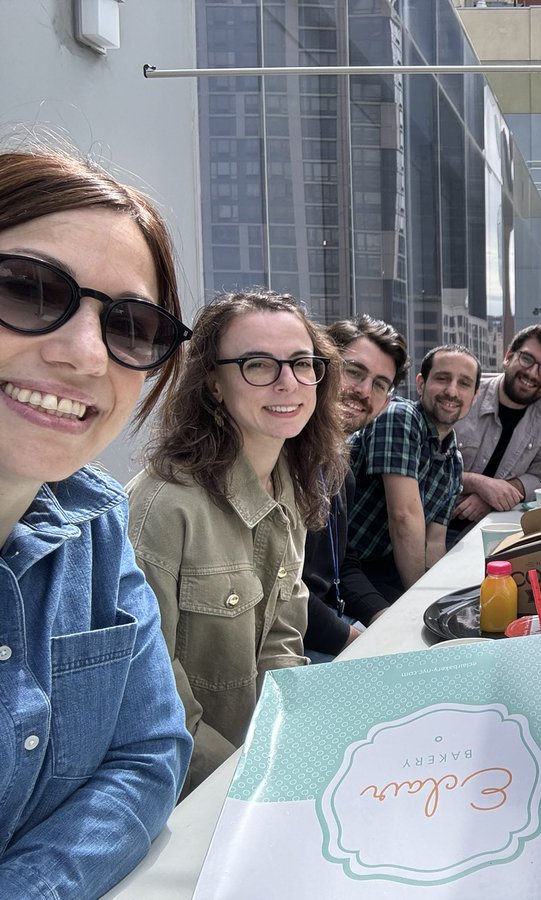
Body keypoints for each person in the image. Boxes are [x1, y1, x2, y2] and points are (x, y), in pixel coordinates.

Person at [0, 149, 192, 895]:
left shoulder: (95, 523)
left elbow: (148, 753)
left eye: (131, 324)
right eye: (24, 288)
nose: (84, 354)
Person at [128, 290, 346, 794]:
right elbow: (151, 699)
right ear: (214, 383)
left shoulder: (287, 479)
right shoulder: (163, 506)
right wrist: (244, 783)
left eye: (301, 362)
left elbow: (281, 642)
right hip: (190, 791)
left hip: (259, 762)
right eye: (257, 364)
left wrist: (290, 749)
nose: (288, 382)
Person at [303, 315, 408, 658]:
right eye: (354, 371)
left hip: (329, 621)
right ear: (322, 366)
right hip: (289, 644)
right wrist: (355, 640)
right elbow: (279, 589)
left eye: (380, 384)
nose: (364, 391)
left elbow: (343, 565)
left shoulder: (338, 463)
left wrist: (384, 617)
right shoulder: (282, 455)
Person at [348, 344, 481, 595]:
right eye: (442, 379)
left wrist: (438, 596)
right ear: (420, 384)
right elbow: (403, 516)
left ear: (474, 396)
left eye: (464, 384)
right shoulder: (400, 416)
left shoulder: (453, 462)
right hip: (342, 567)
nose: (451, 391)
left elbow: (434, 543)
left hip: (385, 570)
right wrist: (418, 601)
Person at [450, 324, 541, 534]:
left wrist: (494, 496)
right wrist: (479, 484)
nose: (532, 373)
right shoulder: (465, 394)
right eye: (527, 359)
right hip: (438, 522)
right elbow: (426, 465)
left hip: (502, 523)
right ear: (508, 357)